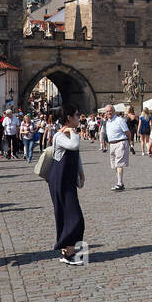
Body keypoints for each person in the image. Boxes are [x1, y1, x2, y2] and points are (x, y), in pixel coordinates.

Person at [48, 108, 87, 264]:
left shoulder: (68, 134)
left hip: (68, 179)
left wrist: (81, 172)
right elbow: (74, 145)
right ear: (69, 117)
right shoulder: (59, 136)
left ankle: (67, 252)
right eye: (77, 115)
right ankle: (68, 254)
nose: (79, 118)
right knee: (74, 216)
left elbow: (76, 155)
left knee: (68, 214)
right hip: (60, 180)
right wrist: (74, 132)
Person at [103, 104, 130, 191]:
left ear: (114, 111)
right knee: (115, 164)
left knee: (119, 164)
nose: (108, 113)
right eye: (107, 111)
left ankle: (120, 183)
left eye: (110, 111)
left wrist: (129, 142)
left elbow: (127, 132)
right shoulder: (107, 122)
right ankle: (119, 182)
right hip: (112, 144)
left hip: (120, 142)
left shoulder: (119, 120)